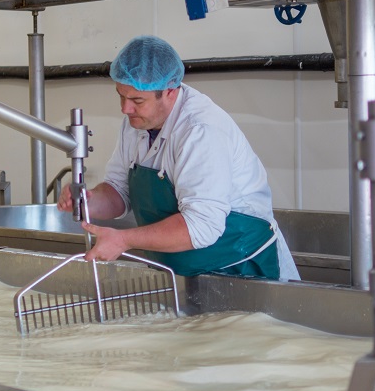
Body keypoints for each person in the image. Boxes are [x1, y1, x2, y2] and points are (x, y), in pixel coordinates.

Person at [57, 35, 300, 281]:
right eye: (121, 96)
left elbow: (202, 227)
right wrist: (88, 201)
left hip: (242, 268)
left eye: (137, 100)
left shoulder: (200, 130)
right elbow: (119, 191)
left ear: (171, 92)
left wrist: (124, 239)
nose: (125, 109)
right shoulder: (135, 124)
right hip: (180, 271)